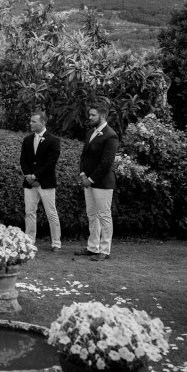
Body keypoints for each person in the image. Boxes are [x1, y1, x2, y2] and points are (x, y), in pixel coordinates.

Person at [74, 103, 119, 262]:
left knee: (104, 216)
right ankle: (93, 247)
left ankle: (105, 250)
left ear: (103, 116)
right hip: (88, 181)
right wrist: (82, 174)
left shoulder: (110, 135)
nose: (90, 117)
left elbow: (106, 163)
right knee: (92, 214)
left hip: (103, 183)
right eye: (90, 114)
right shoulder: (90, 133)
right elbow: (84, 157)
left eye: (93, 115)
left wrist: (90, 179)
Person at [20, 111, 62, 251]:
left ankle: (56, 243)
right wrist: (28, 176)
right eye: (30, 121)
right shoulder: (27, 140)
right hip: (29, 183)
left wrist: (35, 176)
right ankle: (29, 241)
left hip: (46, 182)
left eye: (33, 121)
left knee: (51, 213)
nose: (30, 123)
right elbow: (23, 160)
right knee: (29, 212)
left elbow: (51, 163)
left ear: (42, 123)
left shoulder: (53, 140)